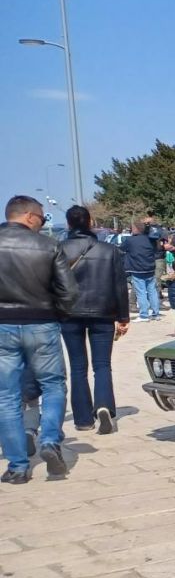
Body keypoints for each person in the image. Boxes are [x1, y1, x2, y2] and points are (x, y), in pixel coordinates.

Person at [0, 195, 76, 482]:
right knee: (54, 385)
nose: (43, 222)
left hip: (2, 326)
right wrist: (60, 315)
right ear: (30, 216)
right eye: (43, 218)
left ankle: (18, 466)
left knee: (6, 397)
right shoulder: (48, 245)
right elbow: (68, 291)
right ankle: (49, 440)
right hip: (42, 322)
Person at [57, 204, 128, 435]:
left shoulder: (59, 249)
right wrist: (123, 317)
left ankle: (83, 418)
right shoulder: (109, 250)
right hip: (103, 312)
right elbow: (120, 285)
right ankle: (105, 406)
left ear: (68, 224)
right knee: (102, 365)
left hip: (70, 314)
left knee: (78, 367)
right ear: (90, 222)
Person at [120, 213, 161, 321]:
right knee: (152, 290)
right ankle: (156, 313)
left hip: (137, 269)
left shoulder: (130, 241)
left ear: (136, 229)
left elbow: (120, 249)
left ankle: (144, 314)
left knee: (141, 292)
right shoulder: (150, 240)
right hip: (150, 268)